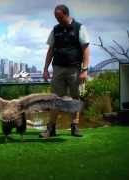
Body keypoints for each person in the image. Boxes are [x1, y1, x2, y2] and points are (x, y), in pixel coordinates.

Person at [39, 4, 90, 138]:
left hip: (74, 69)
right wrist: (45, 69)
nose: (58, 20)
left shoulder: (79, 28)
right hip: (58, 68)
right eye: (56, 17)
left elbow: (85, 49)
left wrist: (84, 69)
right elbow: (50, 50)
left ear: (66, 14)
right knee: (55, 98)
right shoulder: (55, 29)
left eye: (60, 17)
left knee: (75, 98)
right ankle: (51, 129)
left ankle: (75, 126)